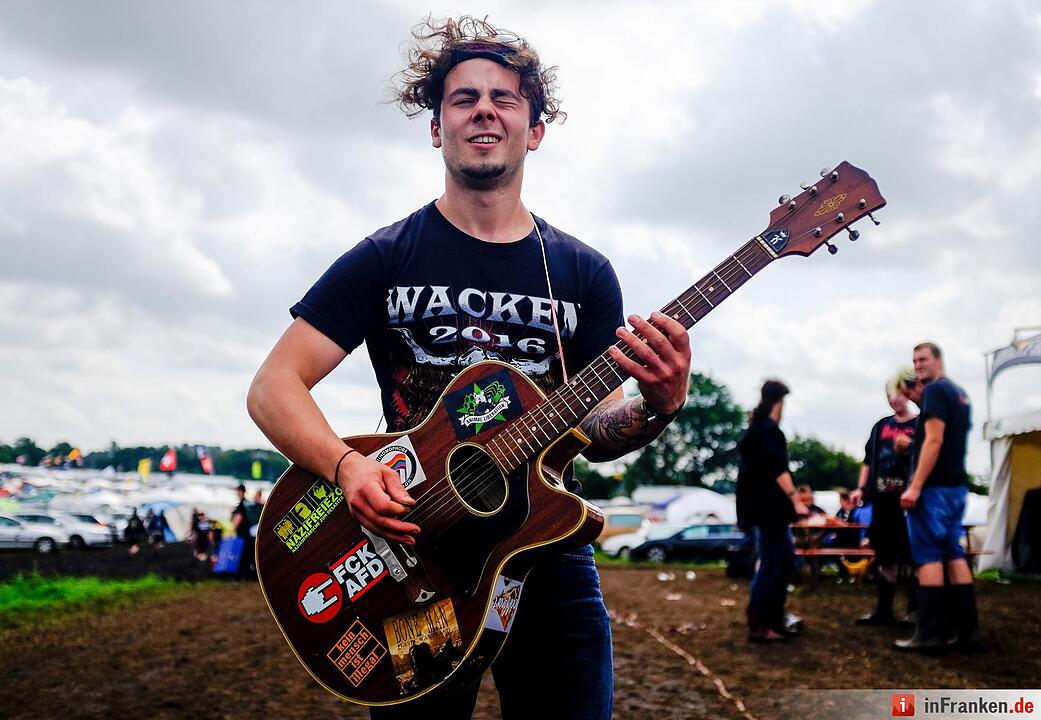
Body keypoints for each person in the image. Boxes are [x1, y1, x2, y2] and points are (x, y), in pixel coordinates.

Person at [246, 16, 691, 719]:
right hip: (409, 553)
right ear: (436, 128)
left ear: (534, 129)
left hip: (543, 548)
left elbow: (594, 427)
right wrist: (348, 468)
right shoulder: (385, 257)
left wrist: (660, 405)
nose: (484, 109)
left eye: (504, 98)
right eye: (463, 98)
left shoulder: (580, 272)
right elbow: (273, 387)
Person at [896, 342, 979, 653]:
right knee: (953, 553)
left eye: (923, 359)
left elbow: (935, 440)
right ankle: (967, 632)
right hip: (957, 486)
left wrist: (916, 485)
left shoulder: (935, 391)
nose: (918, 365)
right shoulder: (960, 393)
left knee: (929, 556)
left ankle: (929, 634)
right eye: (914, 360)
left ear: (938, 360)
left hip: (934, 490)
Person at [736, 380, 808, 642]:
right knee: (772, 566)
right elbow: (778, 469)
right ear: (781, 401)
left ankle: (774, 618)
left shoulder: (756, 429)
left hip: (764, 511)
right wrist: (796, 500)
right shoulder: (768, 431)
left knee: (783, 563)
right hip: (770, 512)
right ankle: (761, 623)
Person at [852, 368, 918, 626]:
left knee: (911, 557)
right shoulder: (880, 426)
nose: (894, 399)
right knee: (885, 555)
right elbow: (868, 461)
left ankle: (914, 611)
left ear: (907, 394)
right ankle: (883, 610)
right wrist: (860, 488)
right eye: (889, 395)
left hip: (908, 502)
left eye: (898, 394)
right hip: (882, 501)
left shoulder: (918, 425)